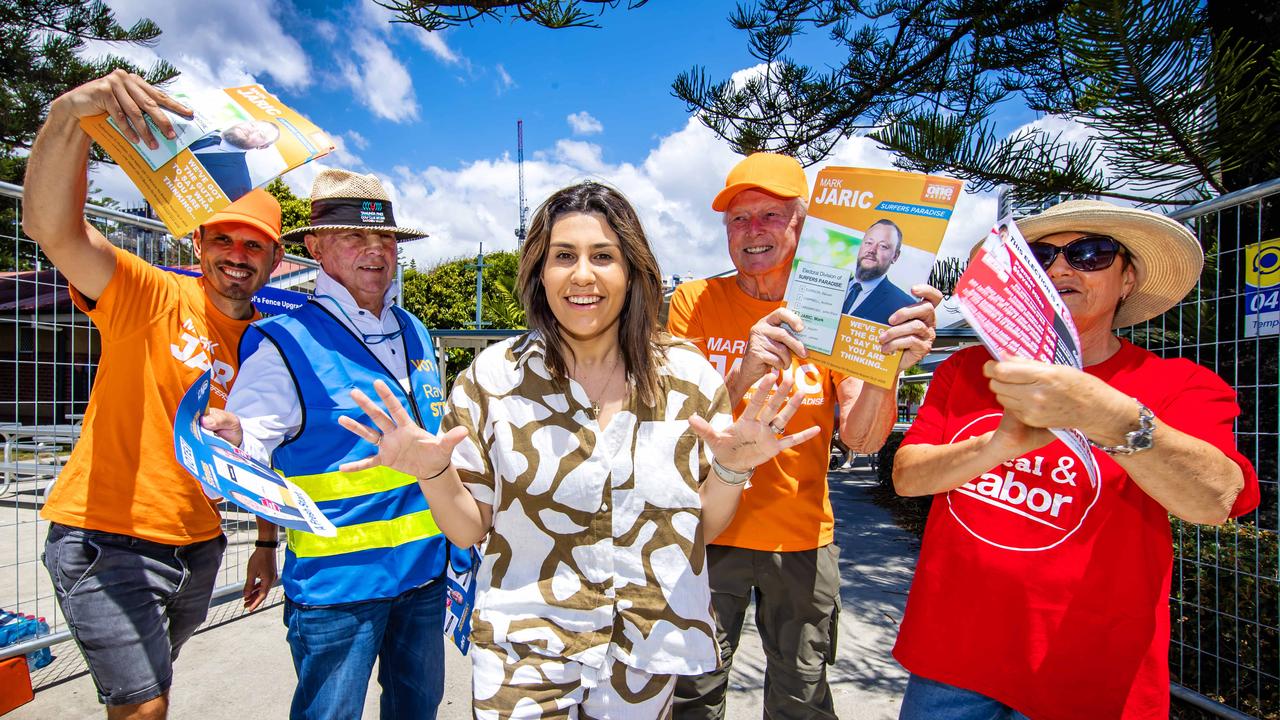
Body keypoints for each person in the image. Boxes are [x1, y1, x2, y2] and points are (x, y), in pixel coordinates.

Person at [338, 181, 821, 717]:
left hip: (646, 656)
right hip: (524, 654)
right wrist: (432, 473)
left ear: (632, 271)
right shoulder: (492, 379)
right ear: (539, 272)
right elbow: (469, 527)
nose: (582, 274)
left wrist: (730, 469)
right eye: (563, 256)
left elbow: (701, 528)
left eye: (604, 257)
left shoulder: (687, 377)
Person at [891, 199, 1260, 720]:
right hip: (950, 657)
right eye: (1041, 256)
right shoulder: (969, 368)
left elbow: (1216, 498)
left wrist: (1114, 419)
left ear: (1127, 279)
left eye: (1090, 253)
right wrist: (997, 446)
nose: (1061, 268)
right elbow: (907, 476)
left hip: (1089, 676)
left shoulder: (1179, 385)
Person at [22, 70, 284, 720]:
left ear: (273, 262)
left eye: (254, 245)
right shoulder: (148, 294)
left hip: (200, 548)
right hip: (105, 537)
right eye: (222, 237)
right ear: (196, 242)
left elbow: (260, 453)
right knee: (144, 707)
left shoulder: (267, 345)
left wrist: (263, 543)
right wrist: (69, 116)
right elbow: (54, 230)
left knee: (140, 692)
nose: (236, 254)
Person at [668, 152, 940, 719]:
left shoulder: (836, 307)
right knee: (692, 694)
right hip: (705, 534)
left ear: (801, 225)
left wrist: (886, 369)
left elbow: (863, 441)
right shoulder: (696, 302)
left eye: (770, 215)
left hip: (802, 542)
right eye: (738, 220)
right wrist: (742, 370)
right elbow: (671, 421)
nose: (753, 231)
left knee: (802, 700)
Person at [202, 168, 451, 720]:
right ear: (315, 247)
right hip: (339, 592)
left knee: (419, 709)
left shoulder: (413, 330)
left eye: (384, 238)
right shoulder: (282, 343)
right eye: (354, 237)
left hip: (425, 576)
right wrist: (237, 438)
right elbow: (253, 433)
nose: (375, 251)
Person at [189, 120, 284, 201]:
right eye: (252, 125)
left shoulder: (239, 185)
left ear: (263, 146)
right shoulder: (196, 127)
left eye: (261, 134)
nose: (251, 129)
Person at [843, 218, 916, 324]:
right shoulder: (829, 286)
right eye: (868, 242)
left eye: (883, 246)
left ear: (895, 256)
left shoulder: (905, 307)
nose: (872, 250)